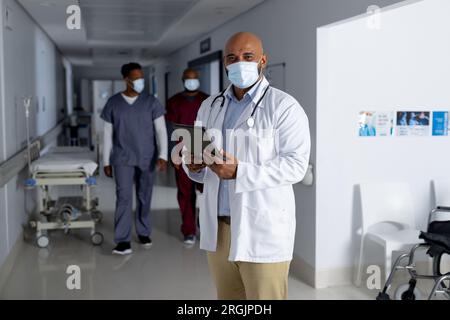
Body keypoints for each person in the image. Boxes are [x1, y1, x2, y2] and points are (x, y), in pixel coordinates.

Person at [181, 32, 311, 299]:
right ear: (226, 64)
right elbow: (195, 154)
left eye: (247, 56)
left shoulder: (284, 107)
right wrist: (192, 165)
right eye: (232, 58)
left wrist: (241, 172)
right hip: (218, 228)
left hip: (261, 227)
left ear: (262, 60)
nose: (239, 63)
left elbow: (296, 166)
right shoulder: (209, 106)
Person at [101, 62, 168, 255]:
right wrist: (106, 161)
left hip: (147, 157)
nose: (140, 82)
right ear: (126, 79)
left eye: (141, 78)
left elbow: (161, 130)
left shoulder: (151, 102)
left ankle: (143, 231)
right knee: (123, 197)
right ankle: (122, 240)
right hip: (122, 157)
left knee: (144, 196)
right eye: (136, 78)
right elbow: (107, 133)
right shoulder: (113, 103)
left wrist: (163, 155)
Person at [166, 68, 209, 245]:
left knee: (207, 192)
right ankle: (189, 230)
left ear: (198, 79)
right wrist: (173, 154)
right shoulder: (174, 102)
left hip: (205, 151)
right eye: (188, 79)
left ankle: (205, 226)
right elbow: (170, 129)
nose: (191, 82)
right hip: (182, 152)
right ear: (183, 80)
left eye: (194, 79)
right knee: (186, 193)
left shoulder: (208, 100)